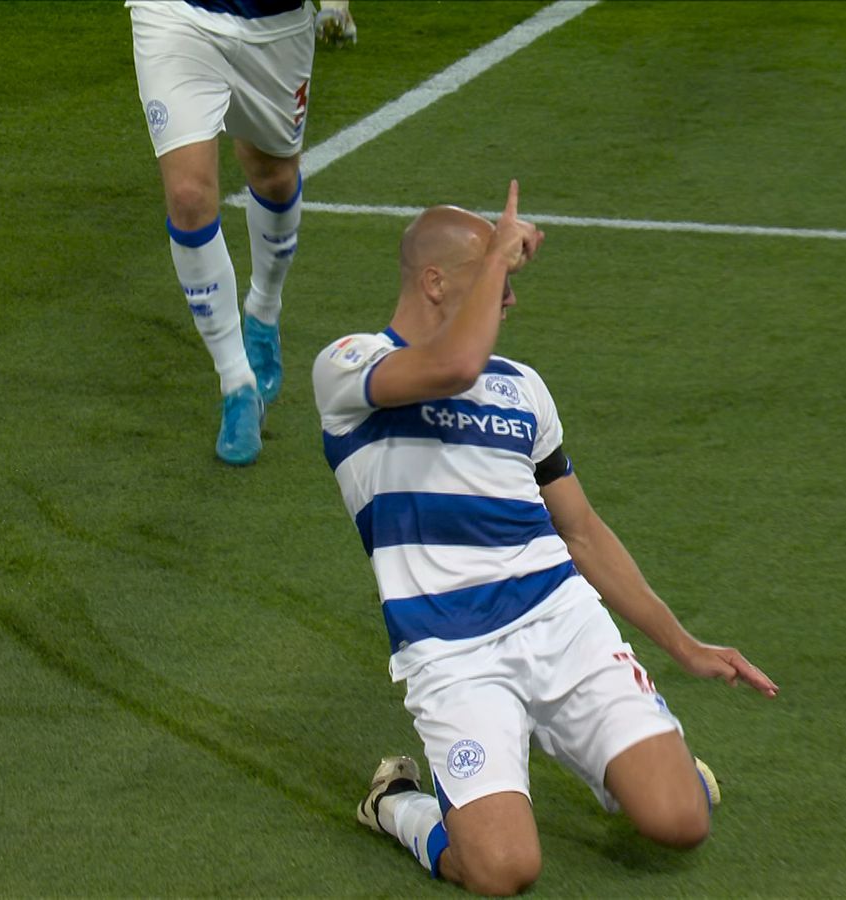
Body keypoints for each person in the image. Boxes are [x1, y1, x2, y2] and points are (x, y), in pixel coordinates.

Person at [311, 182, 779, 895]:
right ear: (436, 282)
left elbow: (583, 532)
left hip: (562, 626)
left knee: (681, 821)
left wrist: (684, 645)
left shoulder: (521, 388)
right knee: (503, 871)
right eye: (492, 277)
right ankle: (398, 805)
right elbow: (451, 366)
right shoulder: (350, 365)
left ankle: (640, 769)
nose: (509, 297)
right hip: (453, 656)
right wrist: (499, 253)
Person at [129, 0, 350, 466]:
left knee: (273, 176)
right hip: (177, 15)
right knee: (188, 197)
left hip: (276, 27)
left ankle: (264, 310)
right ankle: (237, 385)